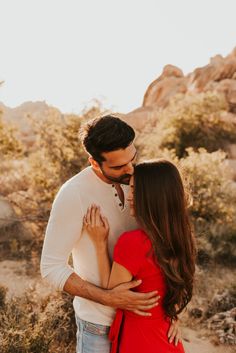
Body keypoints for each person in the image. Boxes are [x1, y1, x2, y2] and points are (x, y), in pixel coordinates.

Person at [40, 115, 180, 353]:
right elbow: (51, 267)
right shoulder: (74, 194)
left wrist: (172, 309)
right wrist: (108, 298)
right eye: (117, 166)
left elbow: (166, 243)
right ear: (94, 163)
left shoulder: (139, 180)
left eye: (132, 159)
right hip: (99, 327)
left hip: (144, 324)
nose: (130, 169)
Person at [84, 159, 196, 353]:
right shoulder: (180, 238)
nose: (129, 197)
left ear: (151, 196)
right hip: (167, 338)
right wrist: (173, 316)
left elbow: (112, 292)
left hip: (141, 341)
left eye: (135, 191)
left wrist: (100, 244)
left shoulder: (133, 242)